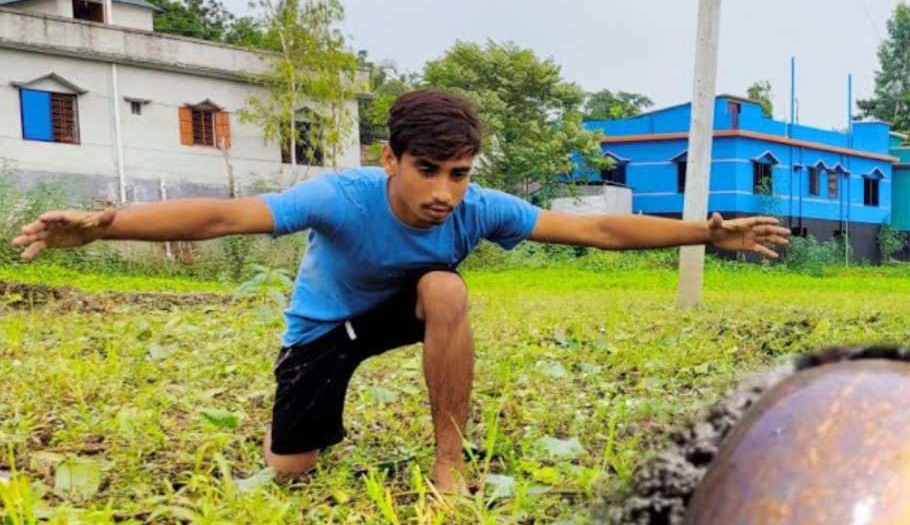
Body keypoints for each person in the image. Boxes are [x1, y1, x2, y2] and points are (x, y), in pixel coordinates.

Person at [11, 88, 789, 495]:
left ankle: (450, 467)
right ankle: (295, 448)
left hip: (407, 315)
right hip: (322, 335)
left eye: (460, 174)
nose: (447, 193)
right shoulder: (339, 196)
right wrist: (105, 223)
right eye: (430, 171)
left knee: (446, 287)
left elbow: (599, 233)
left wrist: (705, 235)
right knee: (292, 473)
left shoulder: (478, 208)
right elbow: (222, 215)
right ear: (391, 158)